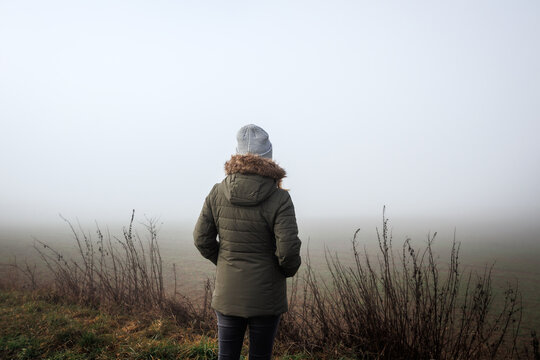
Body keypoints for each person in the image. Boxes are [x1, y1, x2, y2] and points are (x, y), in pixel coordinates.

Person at [193, 124, 302, 360]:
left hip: (228, 294)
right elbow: (288, 252)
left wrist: (225, 262)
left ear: (238, 155)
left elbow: (201, 239)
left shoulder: (217, 191)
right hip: (266, 296)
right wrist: (281, 272)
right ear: (268, 158)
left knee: (227, 356)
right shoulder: (280, 198)